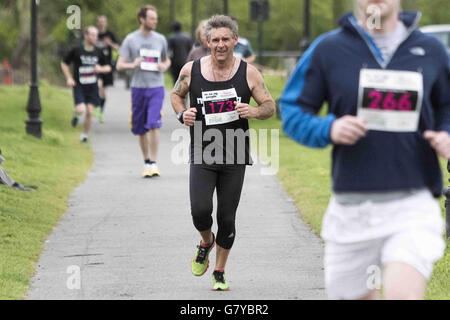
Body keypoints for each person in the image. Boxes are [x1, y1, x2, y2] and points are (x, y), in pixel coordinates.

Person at [280, 0, 449, 300]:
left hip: (412, 205)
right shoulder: (328, 49)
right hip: (352, 209)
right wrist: (328, 129)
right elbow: (293, 110)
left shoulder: (430, 49)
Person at [171, 15, 275, 291]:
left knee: (227, 218)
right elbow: (176, 95)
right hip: (202, 150)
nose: (220, 44)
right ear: (207, 41)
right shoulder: (191, 69)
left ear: (235, 41)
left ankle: (219, 271)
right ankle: (206, 241)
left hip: (235, 153)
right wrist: (183, 113)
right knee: (200, 211)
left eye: (225, 39)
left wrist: (253, 110)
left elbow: (269, 106)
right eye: (214, 40)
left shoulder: (249, 72)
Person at [116, 5, 171, 178]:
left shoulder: (160, 39)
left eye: (156, 18)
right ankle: (146, 161)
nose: (155, 21)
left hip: (156, 87)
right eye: (152, 18)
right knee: (140, 127)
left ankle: (153, 163)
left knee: (154, 123)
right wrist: (132, 64)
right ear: (142, 19)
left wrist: (165, 65)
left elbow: (166, 59)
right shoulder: (130, 40)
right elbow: (119, 65)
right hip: (138, 88)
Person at [61, 26, 111, 143]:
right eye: (93, 35)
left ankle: (84, 135)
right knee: (81, 109)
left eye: (96, 35)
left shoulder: (98, 52)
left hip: (92, 86)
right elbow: (64, 63)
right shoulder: (77, 50)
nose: (95, 37)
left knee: (90, 111)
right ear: (86, 35)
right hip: (79, 85)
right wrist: (69, 78)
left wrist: (100, 69)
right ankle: (76, 114)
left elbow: (108, 67)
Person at [95, 15, 120, 123]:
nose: (102, 23)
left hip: (107, 65)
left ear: (106, 23)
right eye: (100, 21)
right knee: (98, 85)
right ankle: (95, 107)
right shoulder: (94, 34)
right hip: (95, 64)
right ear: (97, 22)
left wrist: (110, 43)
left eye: (103, 21)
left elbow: (118, 48)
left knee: (103, 91)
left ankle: (100, 110)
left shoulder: (109, 35)